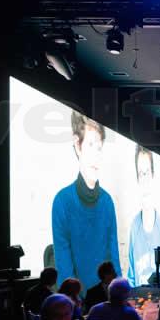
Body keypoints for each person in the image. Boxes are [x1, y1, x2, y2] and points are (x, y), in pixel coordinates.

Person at [52, 111, 121, 294]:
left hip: (106, 303)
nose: (96, 154)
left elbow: (114, 259)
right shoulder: (62, 202)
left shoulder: (107, 202)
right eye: (90, 145)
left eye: (99, 147)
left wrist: (121, 298)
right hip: (77, 306)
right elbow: (65, 272)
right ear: (77, 145)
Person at [127, 146, 160, 287]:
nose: (144, 178)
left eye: (147, 172)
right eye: (140, 173)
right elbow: (132, 273)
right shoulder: (134, 225)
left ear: (153, 174)